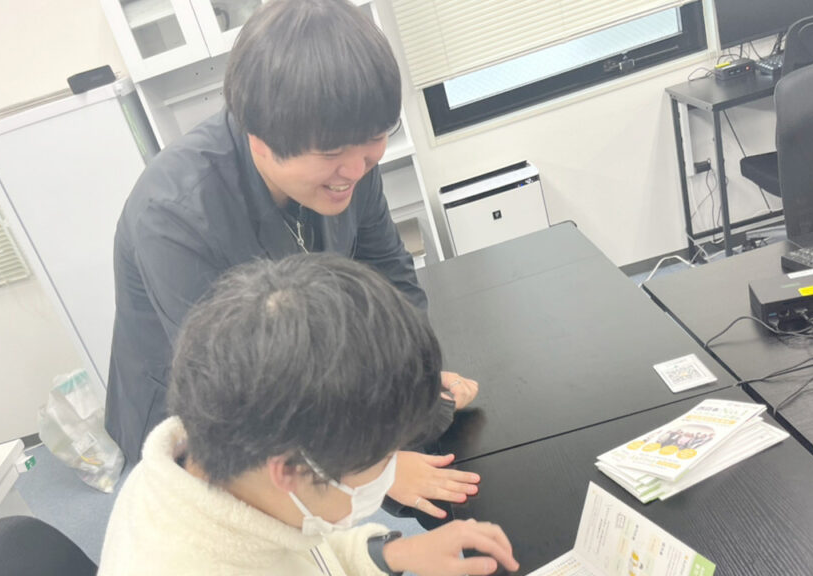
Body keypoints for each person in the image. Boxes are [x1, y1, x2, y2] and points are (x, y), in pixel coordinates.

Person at [106, 0, 478, 515]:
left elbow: (390, 275)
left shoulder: (350, 155)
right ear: (259, 141)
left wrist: (413, 385)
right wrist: (379, 467)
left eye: (375, 138)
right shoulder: (175, 216)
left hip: (286, 374)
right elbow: (243, 396)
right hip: (197, 419)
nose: (358, 168)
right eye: (332, 155)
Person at [99, 254, 518, 576]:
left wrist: (394, 553)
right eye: (386, 456)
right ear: (290, 470)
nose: (394, 468)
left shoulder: (200, 470)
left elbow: (301, 544)